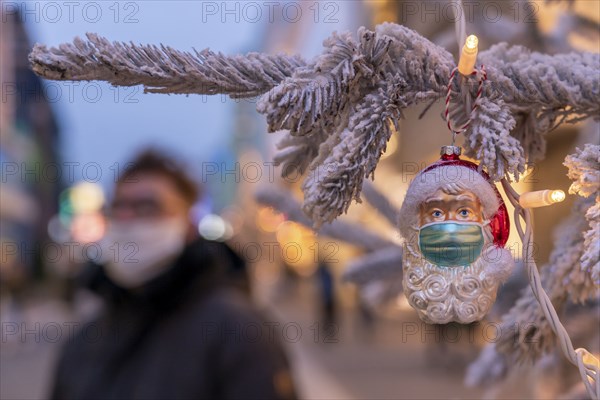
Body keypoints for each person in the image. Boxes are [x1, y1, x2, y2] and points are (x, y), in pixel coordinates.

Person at [51, 150, 296, 400]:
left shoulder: (238, 331)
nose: (126, 218)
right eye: (118, 207)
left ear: (188, 226)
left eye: (146, 207)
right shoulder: (83, 340)